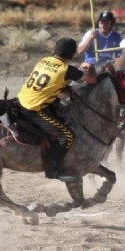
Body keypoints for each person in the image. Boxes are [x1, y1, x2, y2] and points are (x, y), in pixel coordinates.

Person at [17, 37, 96, 182]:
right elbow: (91, 80)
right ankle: (53, 170)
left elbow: (54, 82)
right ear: (72, 55)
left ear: (54, 50)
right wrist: (87, 67)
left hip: (21, 100)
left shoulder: (44, 60)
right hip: (34, 109)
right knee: (67, 136)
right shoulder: (67, 69)